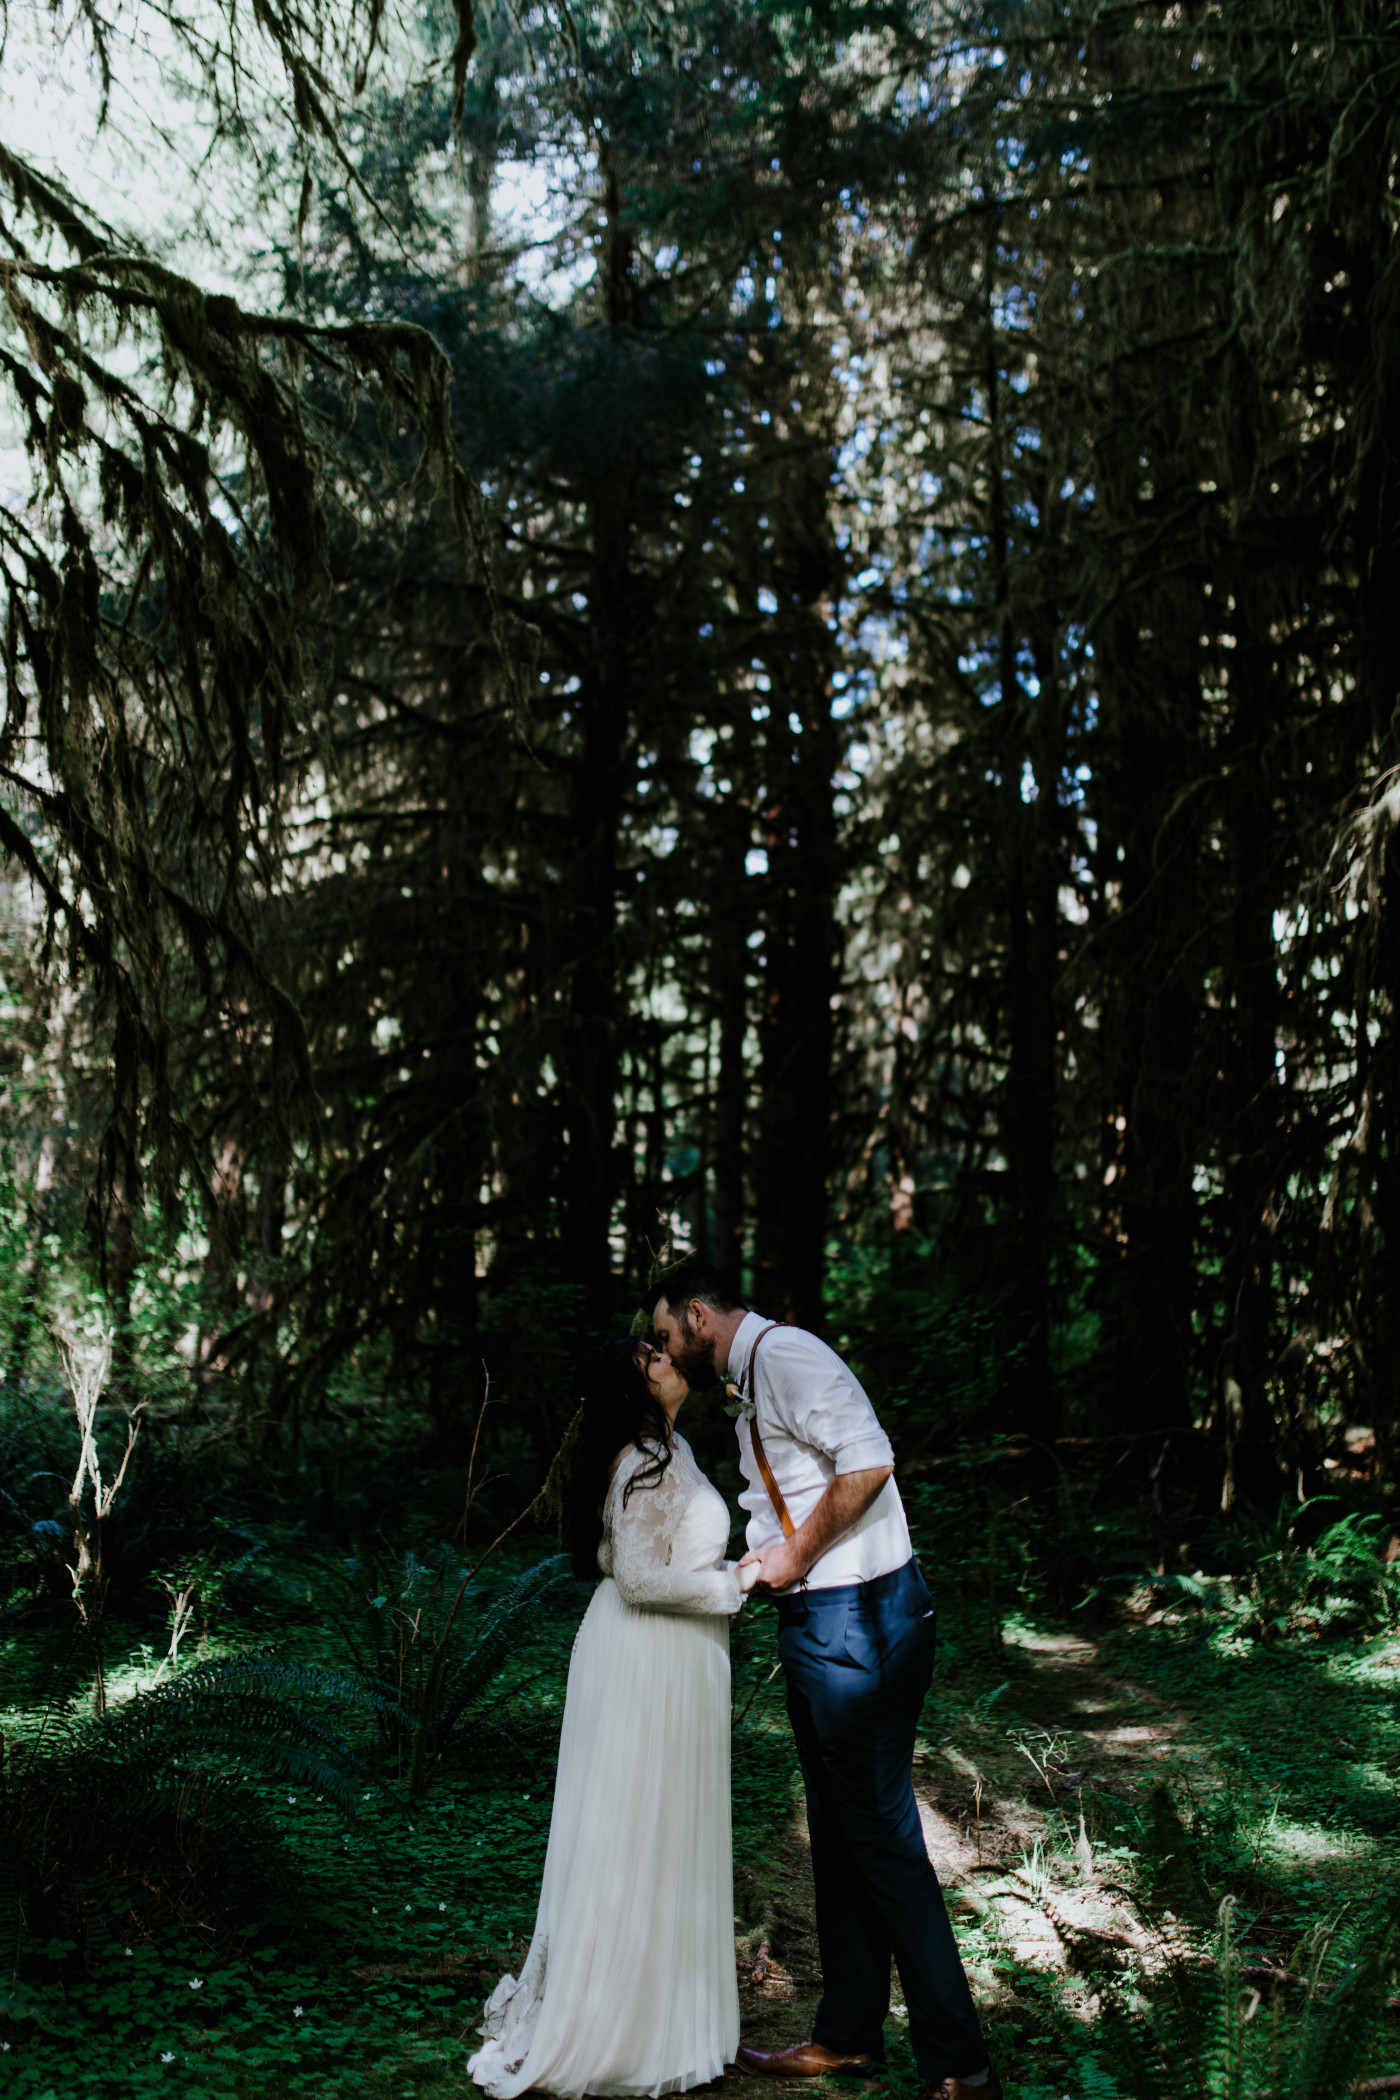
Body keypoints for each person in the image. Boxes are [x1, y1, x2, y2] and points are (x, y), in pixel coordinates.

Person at [648, 1258, 1002, 2100]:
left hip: (860, 1621)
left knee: (882, 1842)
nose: (660, 1349)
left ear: (698, 1316)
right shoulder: (753, 1374)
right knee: (841, 1837)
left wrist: (796, 1555)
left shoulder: (788, 1355)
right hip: (823, 1621)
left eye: (663, 1335)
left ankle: (960, 2063)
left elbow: (870, 1462)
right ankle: (847, 2036)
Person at [468, 1334, 752, 2099]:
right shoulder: (640, 1460)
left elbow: (643, 1556)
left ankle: (664, 2012)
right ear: (634, 1390)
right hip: (645, 1657)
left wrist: (727, 1575)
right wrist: (733, 1584)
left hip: (674, 1656)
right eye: (652, 1359)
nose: (669, 1359)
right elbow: (632, 1577)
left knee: (665, 1828)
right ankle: (616, 2022)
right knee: (630, 1830)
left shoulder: (674, 1447)